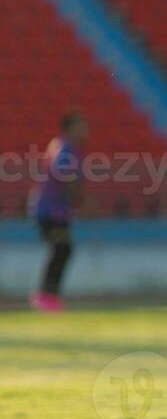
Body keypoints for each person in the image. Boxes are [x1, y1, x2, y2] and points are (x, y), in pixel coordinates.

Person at [29, 111, 87, 312]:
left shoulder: (69, 149)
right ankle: (46, 295)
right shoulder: (63, 149)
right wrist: (84, 202)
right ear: (69, 128)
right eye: (81, 126)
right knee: (62, 248)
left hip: (57, 211)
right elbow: (68, 177)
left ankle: (48, 295)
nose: (85, 130)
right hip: (49, 211)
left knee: (62, 249)